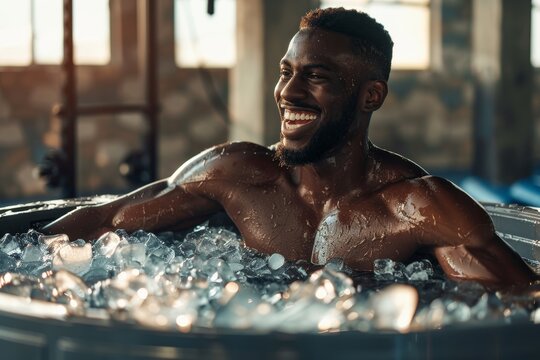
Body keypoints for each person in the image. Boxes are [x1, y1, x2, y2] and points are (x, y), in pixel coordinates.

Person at [43, 7, 537, 288]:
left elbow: (519, 304)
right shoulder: (237, 174)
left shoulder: (416, 207)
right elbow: (105, 222)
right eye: (286, 73)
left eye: (316, 77)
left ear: (371, 96)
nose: (288, 93)